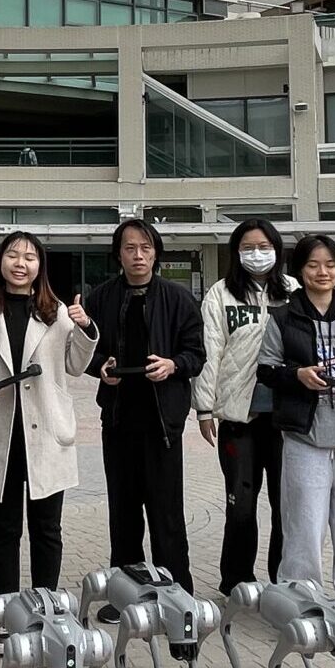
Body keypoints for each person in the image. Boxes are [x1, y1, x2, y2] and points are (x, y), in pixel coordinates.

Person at [0, 232, 98, 605]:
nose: (21, 263)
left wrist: (86, 328)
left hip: (47, 433)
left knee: (47, 529)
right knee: (2, 529)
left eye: (29, 257)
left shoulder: (58, 312)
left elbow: (75, 365)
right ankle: (7, 610)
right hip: (2, 432)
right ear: (0, 262)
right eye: (13, 255)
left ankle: (45, 608)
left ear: (40, 266)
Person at [257, 235, 335, 612]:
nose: (322, 272)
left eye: (330, 264)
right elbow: (267, 369)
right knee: (303, 523)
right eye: (313, 265)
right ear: (300, 271)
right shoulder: (282, 317)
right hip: (305, 434)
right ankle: (300, 596)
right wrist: (298, 375)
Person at [81, 219, 206, 591]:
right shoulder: (101, 298)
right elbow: (83, 350)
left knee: (167, 514)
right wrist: (99, 367)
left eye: (146, 248)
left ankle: (177, 592)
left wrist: (173, 365)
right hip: (118, 420)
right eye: (130, 248)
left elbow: (196, 354)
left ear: (156, 254)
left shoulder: (178, 299)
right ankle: (124, 592)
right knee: (123, 514)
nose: (138, 255)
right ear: (118, 254)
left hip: (162, 423)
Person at [195, 218, 292, 592]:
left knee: (286, 506)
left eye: (264, 247)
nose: (257, 254)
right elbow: (210, 351)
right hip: (240, 418)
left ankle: (285, 580)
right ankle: (236, 581)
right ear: (236, 253)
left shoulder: (294, 291)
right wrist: (205, 408)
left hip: (287, 419)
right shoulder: (220, 294)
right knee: (241, 505)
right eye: (248, 247)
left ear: (277, 250)